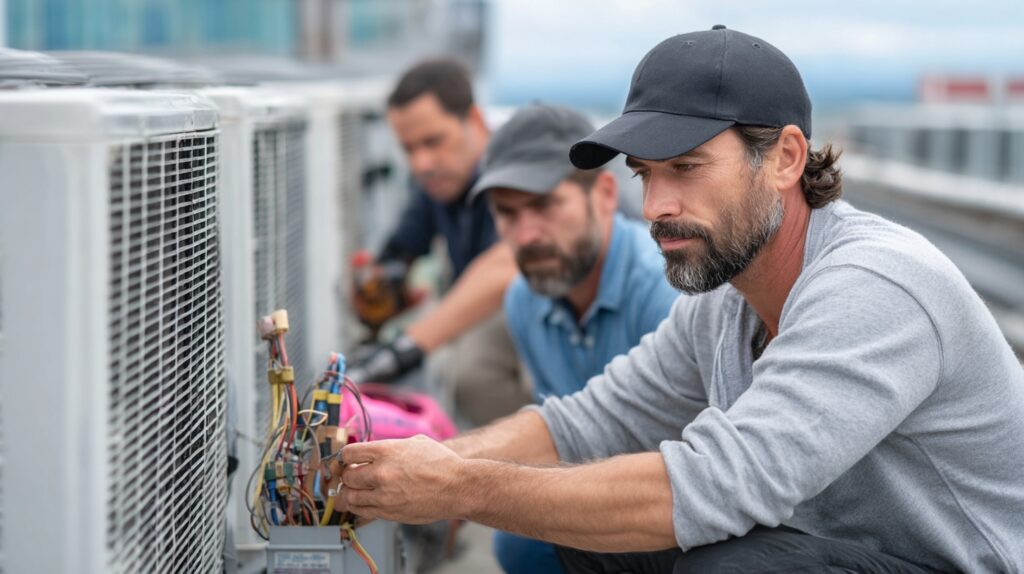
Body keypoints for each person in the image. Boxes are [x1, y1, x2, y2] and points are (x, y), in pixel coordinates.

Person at [336, 26, 1024, 573]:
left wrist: (459, 491)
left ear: (785, 158)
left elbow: (712, 487)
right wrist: (417, 467)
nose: (658, 206)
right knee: (586, 534)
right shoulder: (725, 297)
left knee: (736, 562)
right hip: (836, 549)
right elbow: (584, 425)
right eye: (646, 174)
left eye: (688, 168)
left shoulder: (874, 287)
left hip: (955, 562)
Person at [468, 104, 679, 573]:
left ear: (604, 194)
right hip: (599, 497)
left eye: (544, 206)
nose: (526, 235)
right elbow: (564, 443)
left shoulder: (666, 291)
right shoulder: (525, 299)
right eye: (506, 213)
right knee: (520, 541)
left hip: (680, 510)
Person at [347, 58, 532, 426]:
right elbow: (398, 253)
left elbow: (506, 265)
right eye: (409, 149)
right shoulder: (437, 184)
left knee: (473, 375)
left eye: (433, 142)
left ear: (475, 122)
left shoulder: (517, 168)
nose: (422, 163)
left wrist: (405, 349)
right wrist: (379, 292)